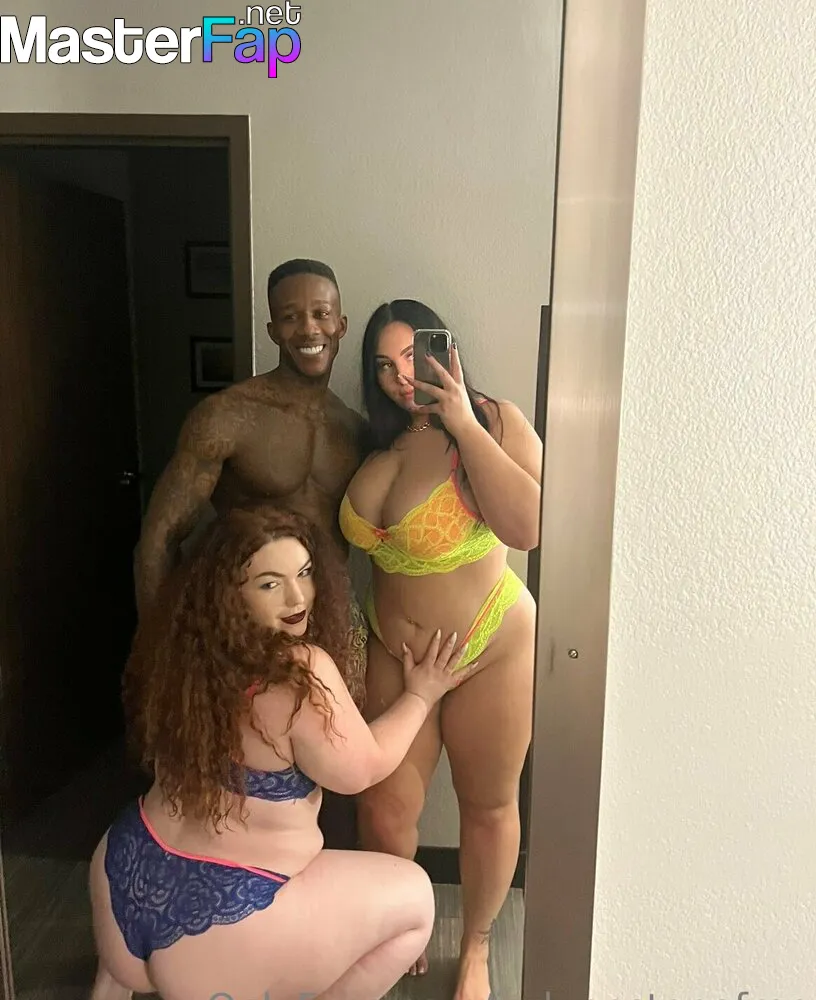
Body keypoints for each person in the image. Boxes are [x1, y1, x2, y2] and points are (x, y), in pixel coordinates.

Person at [90, 504, 479, 1000]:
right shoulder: (300, 671)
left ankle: (114, 984)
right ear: (230, 594)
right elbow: (365, 768)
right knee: (417, 900)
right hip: (217, 931)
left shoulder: (185, 658)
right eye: (269, 584)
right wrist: (421, 695)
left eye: (305, 573)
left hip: (122, 880)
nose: (298, 597)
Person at [339, 300, 542, 1000]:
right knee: (382, 810)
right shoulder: (374, 441)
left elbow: (529, 527)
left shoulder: (494, 419)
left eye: (411, 356)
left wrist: (462, 422)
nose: (400, 376)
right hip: (396, 653)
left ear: (441, 351)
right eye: (382, 364)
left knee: (487, 803)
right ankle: (402, 925)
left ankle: (477, 944)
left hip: (490, 645)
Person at [133, 257, 368, 848]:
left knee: (338, 781)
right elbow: (158, 539)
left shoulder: (357, 431)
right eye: (290, 317)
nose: (307, 328)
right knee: (233, 790)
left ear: (341, 325)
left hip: (330, 623)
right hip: (243, 630)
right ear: (271, 329)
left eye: (321, 314)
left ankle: (326, 894)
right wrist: (161, 654)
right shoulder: (229, 415)